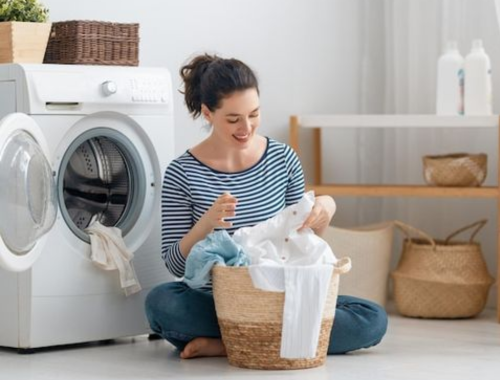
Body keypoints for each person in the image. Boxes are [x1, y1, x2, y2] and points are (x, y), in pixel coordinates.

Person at [145, 53, 387, 359]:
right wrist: (205, 224)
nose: (246, 127)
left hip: (284, 295)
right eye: (233, 119)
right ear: (207, 114)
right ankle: (281, 339)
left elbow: (302, 245)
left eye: (254, 114)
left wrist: (326, 208)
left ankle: (233, 344)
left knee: (372, 318)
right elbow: (175, 265)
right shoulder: (182, 172)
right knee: (161, 303)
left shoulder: (282, 158)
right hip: (219, 302)